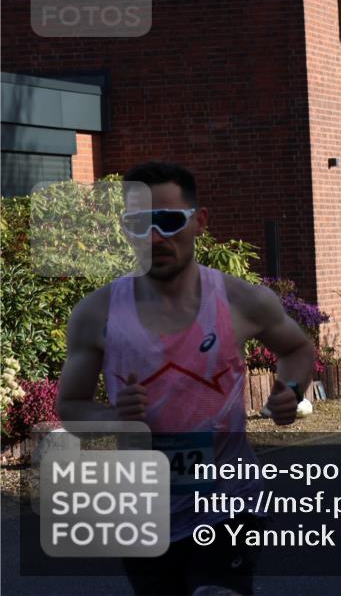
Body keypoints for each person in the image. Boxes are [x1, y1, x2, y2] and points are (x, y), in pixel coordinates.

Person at [57, 162, 316, 596]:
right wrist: (114, 417)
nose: (155, 237)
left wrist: (290, 390)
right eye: (139, 224)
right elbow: (71, 407)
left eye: (169, 221)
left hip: (229, 504)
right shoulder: (96, 313)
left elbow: (297, 348)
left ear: (199, 222)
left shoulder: (241, 300)